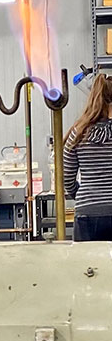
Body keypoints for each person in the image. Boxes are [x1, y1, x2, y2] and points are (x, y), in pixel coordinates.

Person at [63, 73, 112, 242]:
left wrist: (86, 196)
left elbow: (67, 179)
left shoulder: (78, 133)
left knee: (86, 267)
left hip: (87, 212)